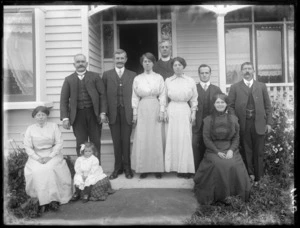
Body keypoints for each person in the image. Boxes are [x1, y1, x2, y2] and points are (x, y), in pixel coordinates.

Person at [193, 94, 251, 205]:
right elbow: (207, 139)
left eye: (222, 102)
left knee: (233, 164)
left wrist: (231, 150)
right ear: (214, 104)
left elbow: (236, 137)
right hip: (213, 150)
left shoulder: (234, 119)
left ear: (226, 104)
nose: (220, 105)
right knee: (218, 164)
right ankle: (219, 196)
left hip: (230, 149)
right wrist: (217, 152)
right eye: (217, 102)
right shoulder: (208, 120)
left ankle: (234, 196)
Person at [228, 62, 272, 186]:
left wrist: (268, 123)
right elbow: (230, 106)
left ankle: (259, 178)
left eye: (249, 69)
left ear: (253, 71)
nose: (247, 71)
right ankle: (249, 177)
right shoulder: (235, 87)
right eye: (244, 69)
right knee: (247, 150)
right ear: (241, 72)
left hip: (259, 124)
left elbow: (268, 106)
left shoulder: (261, 86)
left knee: (259, 151)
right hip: (243, 124)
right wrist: (235, 121)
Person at [23, 106, 72, 212]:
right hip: (36, 155)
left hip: (52, 154)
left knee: (50, 168)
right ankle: (41, 200)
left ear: (47, 116)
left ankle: (54, 200)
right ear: (34, 117)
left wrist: (50, 156)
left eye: (43, 115)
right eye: (38, 115)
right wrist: (37, 158)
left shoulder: (53, 126)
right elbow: (27, 146)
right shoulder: (30, 129)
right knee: (37, 170)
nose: (41, 117)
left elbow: (59, 143)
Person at [60, 54, 108, 163]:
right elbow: (63, 100)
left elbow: (103, 95)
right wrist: (65, 118)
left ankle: (96, 167)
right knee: (81, 143)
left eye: (82, 61)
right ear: (74, 64)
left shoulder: (95, 77)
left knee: (95, 141)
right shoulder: (69, 79)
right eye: (78, 62)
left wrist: (103, 112)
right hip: (77, 115)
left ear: (86, 63)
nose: (80, 64)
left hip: (93, 113)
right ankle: (82, 168)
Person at [102, 49, 137, 180]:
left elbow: (136, 95)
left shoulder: (133, 75)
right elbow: (103, 95)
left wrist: (135, 112)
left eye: (122, 58)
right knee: (116, 141)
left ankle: (127, 168)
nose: (120, 60)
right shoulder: (106, 75)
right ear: (113, 60)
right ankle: (117, 168)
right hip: (113, 112)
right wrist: (104, 112)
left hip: (128, 111)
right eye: (117, 58)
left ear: (126, 59)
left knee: (126, 140)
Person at [131, 52, 165, 179]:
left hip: (155, 106)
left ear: (153, 63)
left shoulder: (159, 77)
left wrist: (162, 110)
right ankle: (143, 168)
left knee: (155, 137)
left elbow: (162, 95)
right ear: (142, 63)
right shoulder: (137, 78)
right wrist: (135, 113)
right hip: (143, 107)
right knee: (143, 137)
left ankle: (157, 168)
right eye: (145, 61)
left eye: (149, 61)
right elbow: (134, 96)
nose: (147, 63)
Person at [164, 57, 198, 179]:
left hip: (185, 109)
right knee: (173, 138)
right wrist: (164, 111)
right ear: (172, 67)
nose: (177, 67)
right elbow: (163, 97)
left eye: (179, 65)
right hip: (172, 109)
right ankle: (174, 167)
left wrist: (193, 112)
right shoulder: (168, 81)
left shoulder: (190, 80)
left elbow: (194, 98)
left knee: (185, 138)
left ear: (183, 66)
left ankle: (185, 168)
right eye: (175, 65)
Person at [192, 64, 222, 172]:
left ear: (210, 74)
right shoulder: (194, 88)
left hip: (211, 125)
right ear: (199, 74)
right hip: (197, 125)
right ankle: (197, 172)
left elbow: (221, 106)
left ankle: (210, 171)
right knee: (195, 145)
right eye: (202, 73)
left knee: (210, 148)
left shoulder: (216, 89)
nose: (204, 75)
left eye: (206, 73)